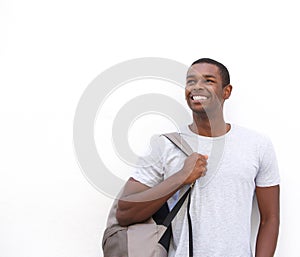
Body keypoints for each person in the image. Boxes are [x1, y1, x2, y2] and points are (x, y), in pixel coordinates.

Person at [116, 58, 280, 257]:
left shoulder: (257, 145)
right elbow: (124, 213)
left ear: (226, 91)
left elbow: (269, 218)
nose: (197, 87)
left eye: (208, 80)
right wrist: (180, 177)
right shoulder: (164, 145)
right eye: (191, 81)